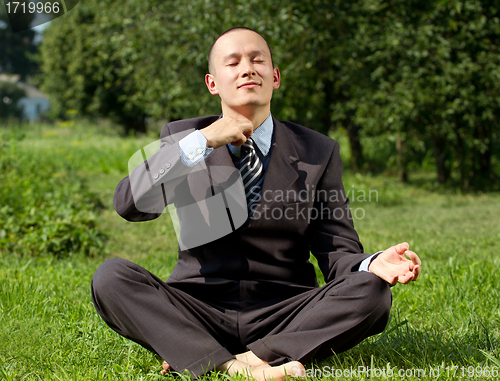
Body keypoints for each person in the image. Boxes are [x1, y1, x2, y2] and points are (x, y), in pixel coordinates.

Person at [91, 27, 421, 380]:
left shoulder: (318, 150)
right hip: (198, 307)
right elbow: (131, 204)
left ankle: (231, 355)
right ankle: (234, 366)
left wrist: (370, 264)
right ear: (212, 83)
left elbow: (337, 252)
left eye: (257, 60)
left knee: (372, 291)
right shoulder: (182, 139)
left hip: (284, 310)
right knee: (110, 278)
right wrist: (200, 142)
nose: (247, 68)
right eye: (232, 63)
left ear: (274, 77)